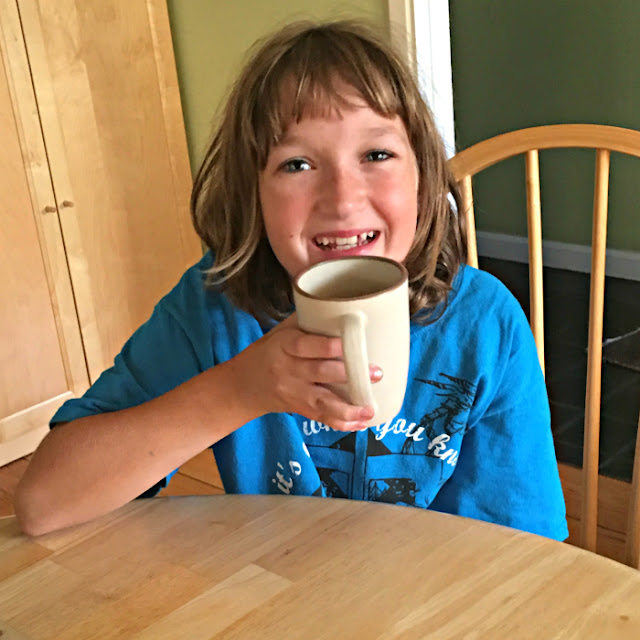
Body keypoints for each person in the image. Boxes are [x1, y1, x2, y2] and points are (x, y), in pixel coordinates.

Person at [14, 19, 568, 540]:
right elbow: (44, 502)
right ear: (251, 193)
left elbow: (526, 553)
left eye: (376, 154)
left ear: (422, 178)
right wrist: (241, 388)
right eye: (297, 164)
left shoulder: (485, 325)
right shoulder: (215, 309)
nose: (342, 199)